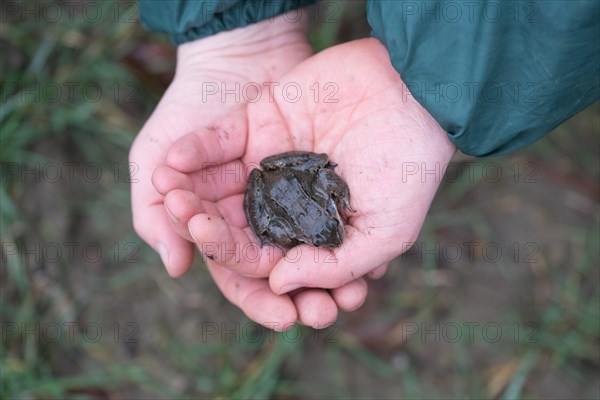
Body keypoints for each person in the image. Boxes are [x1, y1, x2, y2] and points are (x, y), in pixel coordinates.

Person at [129, 1, 599, 330]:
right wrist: (234, 36)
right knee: (269, 209)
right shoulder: (305, 219)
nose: (333, 224)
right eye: (326, 226)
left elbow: (320, 176)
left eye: (329, 223)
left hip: (293, 181)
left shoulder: (326, 208)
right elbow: (304, 184)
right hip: (279, 190)